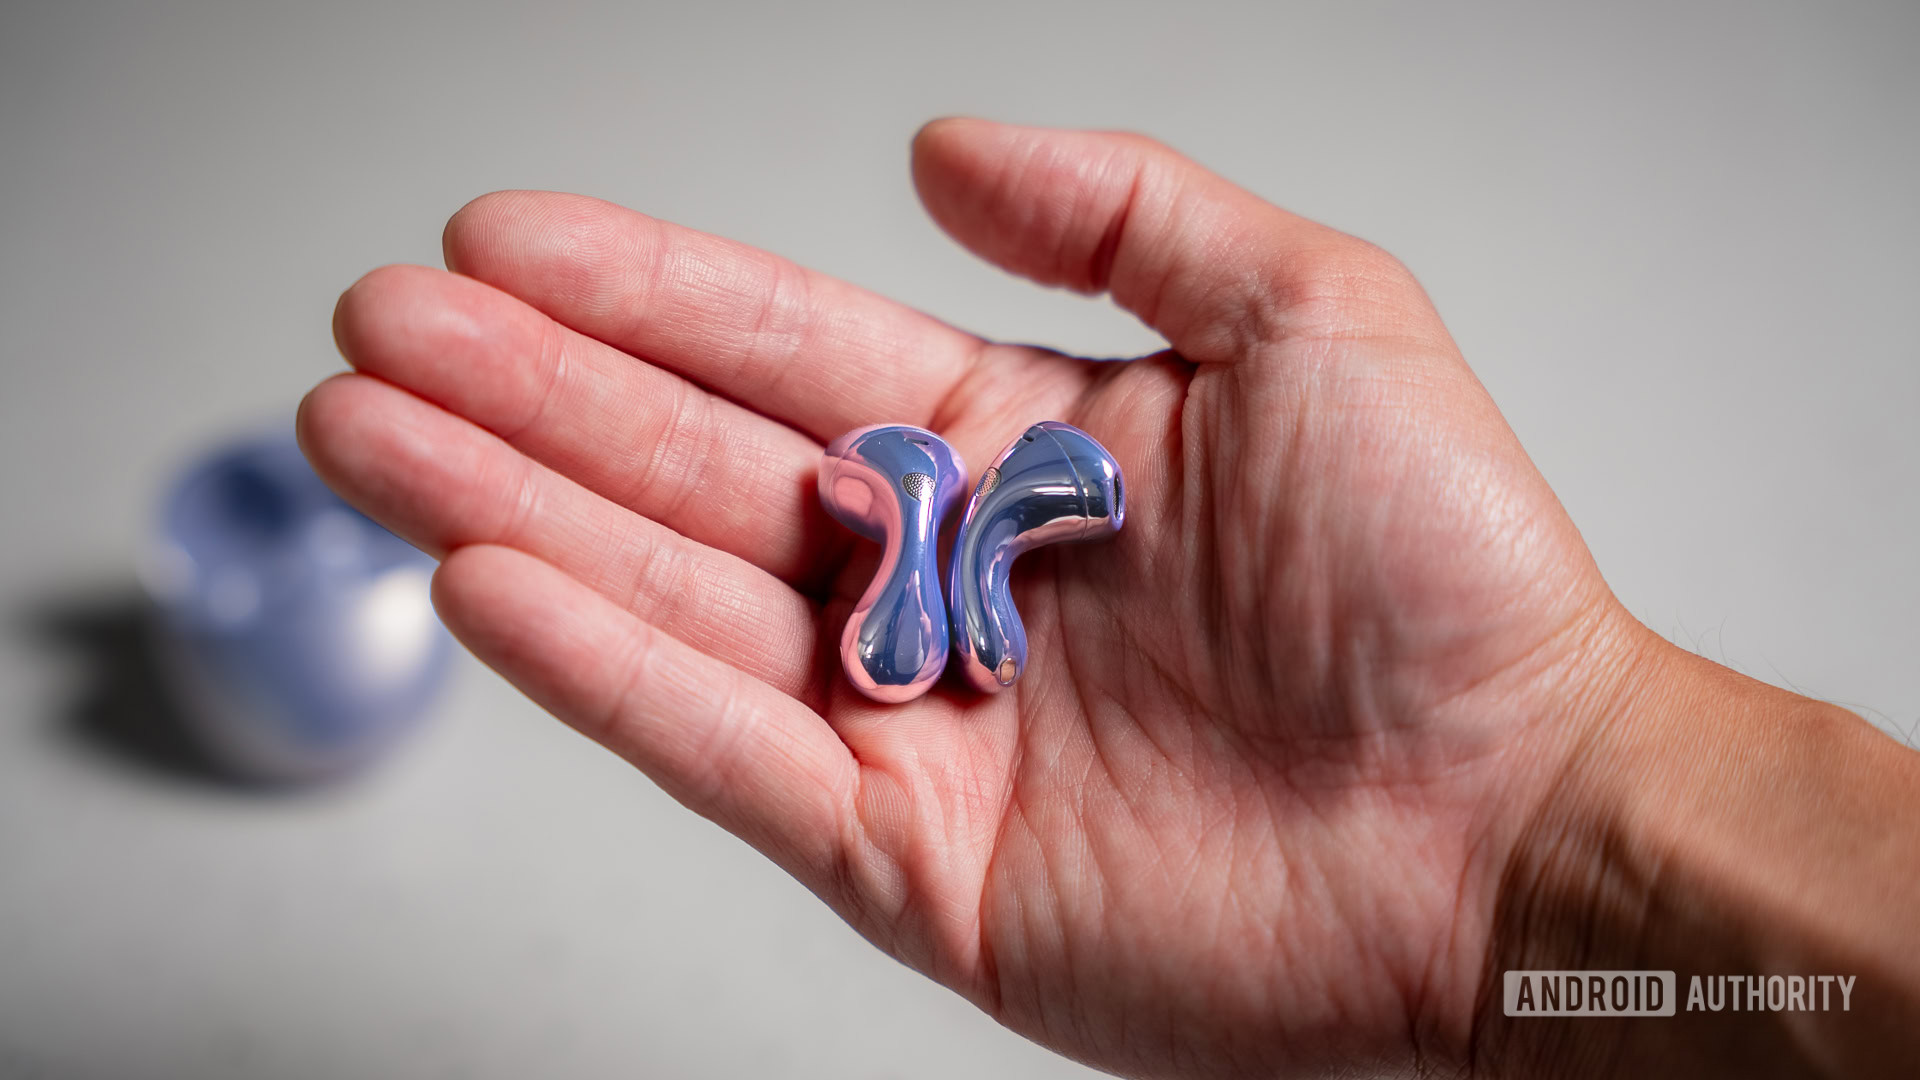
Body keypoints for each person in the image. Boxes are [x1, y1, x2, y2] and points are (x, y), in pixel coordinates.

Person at [298, 118, 1919, 1078]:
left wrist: (1544, 794)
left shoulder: (1012, 536)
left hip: (969, 543)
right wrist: (1547, 827)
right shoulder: (948, 542)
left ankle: (945, 525)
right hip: (951, 540)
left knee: (953, 551)